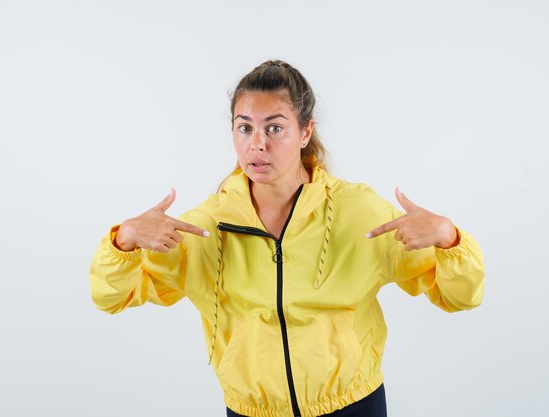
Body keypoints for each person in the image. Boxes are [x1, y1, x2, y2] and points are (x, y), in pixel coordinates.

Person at [88, 59, 485, 417]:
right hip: (252, 413)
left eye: (274, 127)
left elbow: (460, 296)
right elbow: (110, 298)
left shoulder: (358, 212)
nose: (257, 143)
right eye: (244, 127)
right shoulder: (204, 228)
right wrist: (123, 240)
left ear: (304, 132)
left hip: (352, 406)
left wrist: (448, 239)